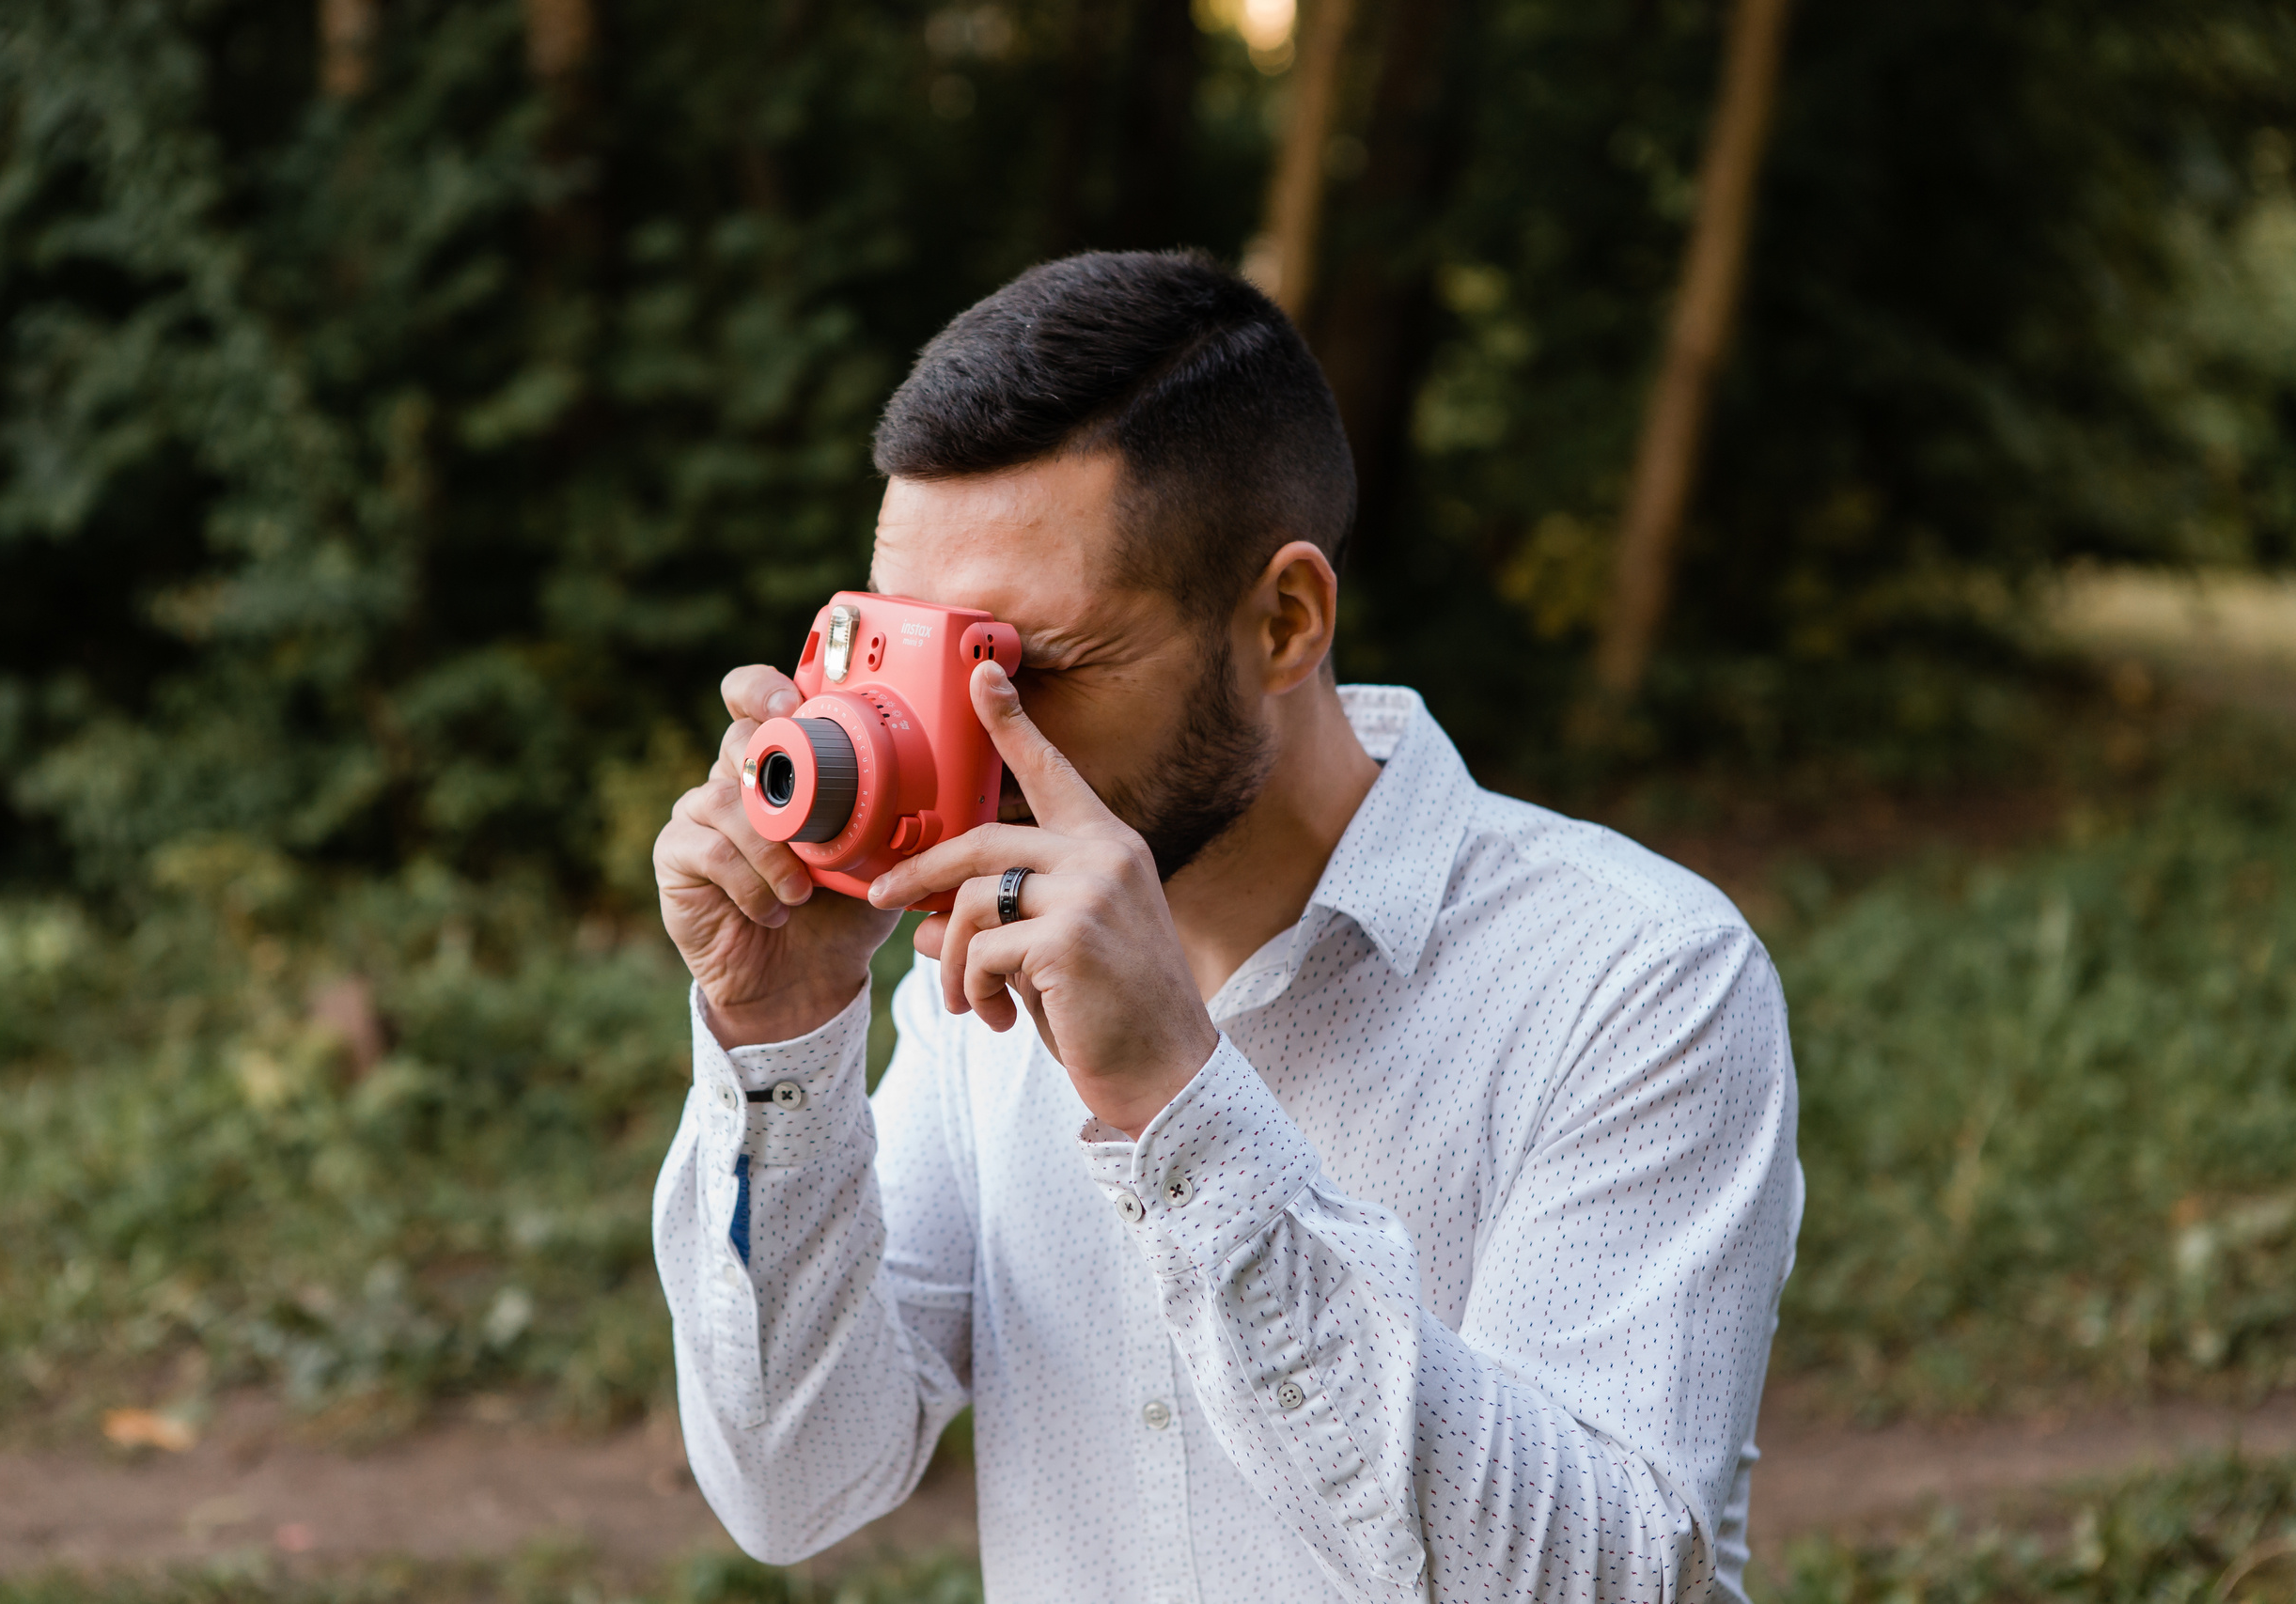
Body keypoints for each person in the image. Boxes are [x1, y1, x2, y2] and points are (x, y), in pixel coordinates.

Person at [650, 250, 1802, 1604]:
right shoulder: (971, 981)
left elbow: (1600, 1584)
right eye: (916, 650)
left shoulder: (1635, 976)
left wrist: (1175, 1105)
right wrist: (782, 1039)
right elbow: (795, 1486)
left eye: (1024, 673)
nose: (955, 745)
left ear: (1285, 620)